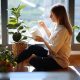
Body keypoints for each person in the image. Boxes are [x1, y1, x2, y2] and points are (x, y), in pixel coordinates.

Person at [15, 4, 73, 71]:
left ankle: (46, 67)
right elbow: (52, 37)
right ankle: (13, 62)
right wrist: (44, 27)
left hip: (59, 61)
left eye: (52, 14)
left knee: (33, 61)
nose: (50, 16)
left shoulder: (63, 30)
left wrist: (43, 40)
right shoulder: (57, 25)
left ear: (58, 15)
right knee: (32, 48)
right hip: (52, 55)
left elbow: (54, 49)